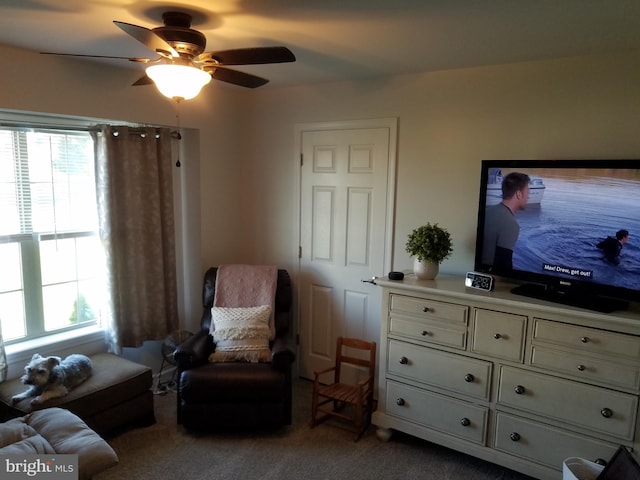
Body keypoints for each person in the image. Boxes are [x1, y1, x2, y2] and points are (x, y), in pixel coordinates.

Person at [481, 172, 530, 271]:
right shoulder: (510, 224)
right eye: (527, 193)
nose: (528, 197)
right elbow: (503, 268)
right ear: (519, 194)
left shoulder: (486, 211)